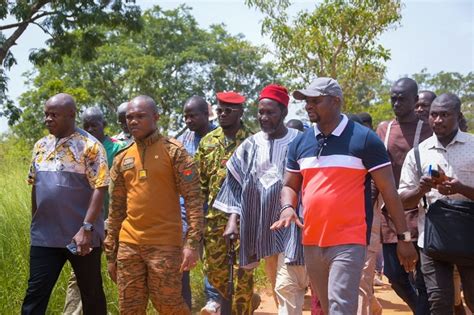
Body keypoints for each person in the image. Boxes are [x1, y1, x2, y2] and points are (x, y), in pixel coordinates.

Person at [271, 77, 418, 315]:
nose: (308, 105)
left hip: (350, 239)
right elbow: (290, 185)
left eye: (315, 100)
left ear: (336, 101)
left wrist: (404, 238)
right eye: (306, 100)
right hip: (311, 240)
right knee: (328, 308)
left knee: (341, 307)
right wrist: (287, 207)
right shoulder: (300, 142)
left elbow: (389, 191)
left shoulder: (364, 139)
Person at [104, 95, 204, 314]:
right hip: (129, 245)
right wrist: (112, 253)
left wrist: (191, 244)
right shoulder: (122, 158)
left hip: (165, 245)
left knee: (168, 305)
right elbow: (116, 209)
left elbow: (194, 201)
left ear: (156, 117)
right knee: (129, 308)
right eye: (130, 117)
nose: (133, 121)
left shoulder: (174, 152)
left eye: (141, 116)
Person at [213, 84, 300, 310]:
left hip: (294, 227)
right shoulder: (250, 145)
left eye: (270, 112)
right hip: (264, 230)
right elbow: (235, 184)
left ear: (284, 113)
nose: (264, 117)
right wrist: (233, 221)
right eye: (260, 112)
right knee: (277, 286)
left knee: (286, 285)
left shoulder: (300, 141)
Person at [22, 93, 109, 315]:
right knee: (35, 294)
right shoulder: (40, 146)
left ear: (71, 114)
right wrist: (35, 223)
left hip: (81, 238)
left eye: (54, 114)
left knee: (91, 294)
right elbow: (35, 184)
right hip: (45, 236)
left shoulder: (90, 146)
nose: (47, 119)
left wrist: (87, 228)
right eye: (46, 114)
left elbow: (100, 187)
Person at [399, 93, 474, 314]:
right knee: (439, 301)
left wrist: (461, 189)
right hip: (432, 238)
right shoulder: (418, 153)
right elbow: (402, 200)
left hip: (469, 235)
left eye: (444, 115)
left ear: (458, 116)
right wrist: (421, 188)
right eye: (433, 115)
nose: (437, 120)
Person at [195, 91, 255, 314]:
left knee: (243, 274)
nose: (221, 114)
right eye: (219, 110)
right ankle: (228, 304)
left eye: (228, 110)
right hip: (213, 220)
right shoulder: (207, 142)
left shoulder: (252, 141)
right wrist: (197, 221)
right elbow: (200, 185)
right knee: (215, 272)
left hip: (244, 220)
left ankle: (242, 309)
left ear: (240, 112)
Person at [63, 106, 126, 314]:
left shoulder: (118, 149)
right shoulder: (79, 149)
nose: (90, 129)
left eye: (94, 125)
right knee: (80, 274)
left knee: (121, 270)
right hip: (87, 224)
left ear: (104, 125)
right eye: (86, 125)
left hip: (114, 222)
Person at [377, 78, 432, 314]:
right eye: (393, 98)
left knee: (424, 276)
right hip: (389, 212)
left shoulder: (429, 129)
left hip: (421, 211)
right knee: (394, 274)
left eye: (402, 98)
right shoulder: (384, 129)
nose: (397, 102)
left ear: (415, 100)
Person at [177, 95, 219, 310]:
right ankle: (184, 305)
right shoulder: (182, 142)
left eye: (192, 115)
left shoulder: (219, 138)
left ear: (206, 115)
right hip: (185, 213)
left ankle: (213, 302)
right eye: (185, 116)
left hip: (213, 211)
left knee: (212, 260)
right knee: (181, 260)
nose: (188, 120)